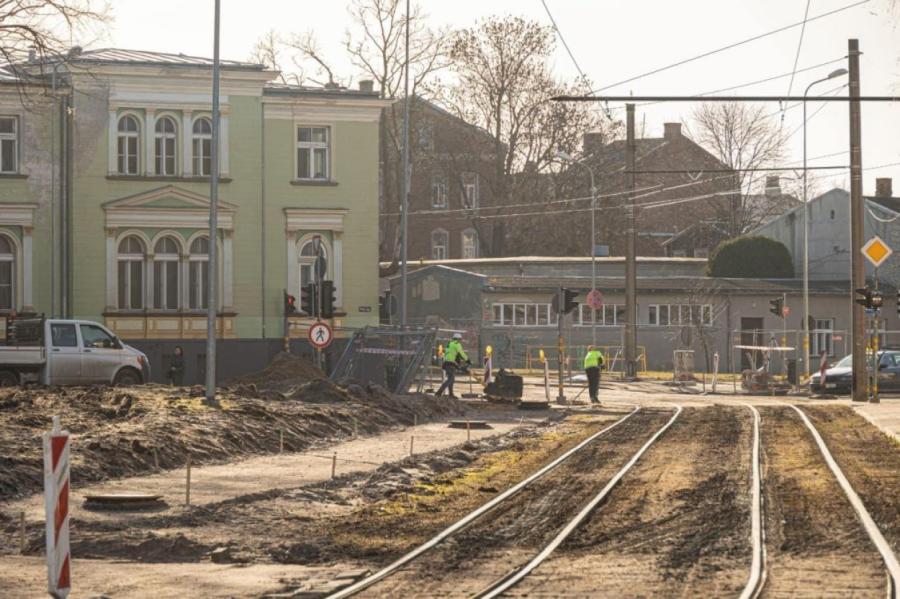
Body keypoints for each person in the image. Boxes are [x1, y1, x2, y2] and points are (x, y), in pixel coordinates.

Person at [435, 333, 469, 398]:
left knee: (451, 379)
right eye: (460, 339)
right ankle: (439, 392)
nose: (460, 341)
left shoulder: (449, 344)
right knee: (450, 379)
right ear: (458, 339)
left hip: (447, 363)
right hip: (451, 363)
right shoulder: (457, 344)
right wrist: (467, 360)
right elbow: (461, 353)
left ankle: (451, 394)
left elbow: (452, 354)